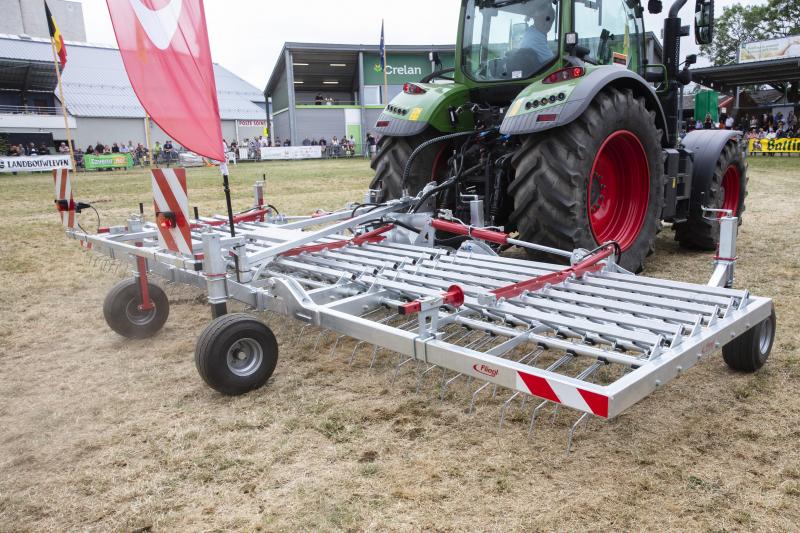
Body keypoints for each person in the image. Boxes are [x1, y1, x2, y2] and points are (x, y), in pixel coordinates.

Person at [518, 0, 556, 71]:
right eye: (543, 19)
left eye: (549, 20)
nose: (547, 24)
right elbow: (554, 62)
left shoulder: (531, 33)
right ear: (535, 19)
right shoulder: (535, 37)